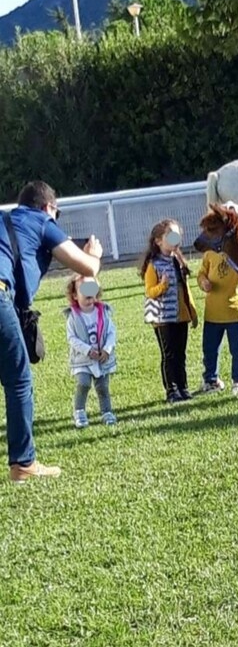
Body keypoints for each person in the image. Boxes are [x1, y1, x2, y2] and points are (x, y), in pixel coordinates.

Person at [0, 180, 103, 482]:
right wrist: (93, 253)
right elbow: (88, 268)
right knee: (18, 381)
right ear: (48, 208)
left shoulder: (8, 222)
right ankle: (23, 464)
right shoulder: (41, 220)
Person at [139, 219, 197, 404]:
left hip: (180, 315)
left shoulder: (178, 261)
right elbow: (150, 291)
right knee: (169, 354)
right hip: (163, 317)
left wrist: (191, 310)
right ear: (158, 241)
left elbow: (185, 288)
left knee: (181, 353)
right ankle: (171, 390)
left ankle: (183, 387)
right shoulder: (153, 265)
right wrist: (162, 286)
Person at [196, 202, 238, 398]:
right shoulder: (210, 253)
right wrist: (203, 282)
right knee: (209, 349)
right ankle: (211, 379)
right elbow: (201, 273)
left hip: (235, 310)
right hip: (213, 312)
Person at [64, 275, 117, 428]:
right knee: (84, 383)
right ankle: (79, 411)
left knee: (102, 386)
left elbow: (111, 332)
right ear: (75, 295)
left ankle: (107, 412)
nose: (89, 296)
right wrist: (87, 350)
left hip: (102, 359)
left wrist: (107, 349)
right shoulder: (73, 317)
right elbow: (72, 338)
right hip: (83, 360)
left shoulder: (103, 312)